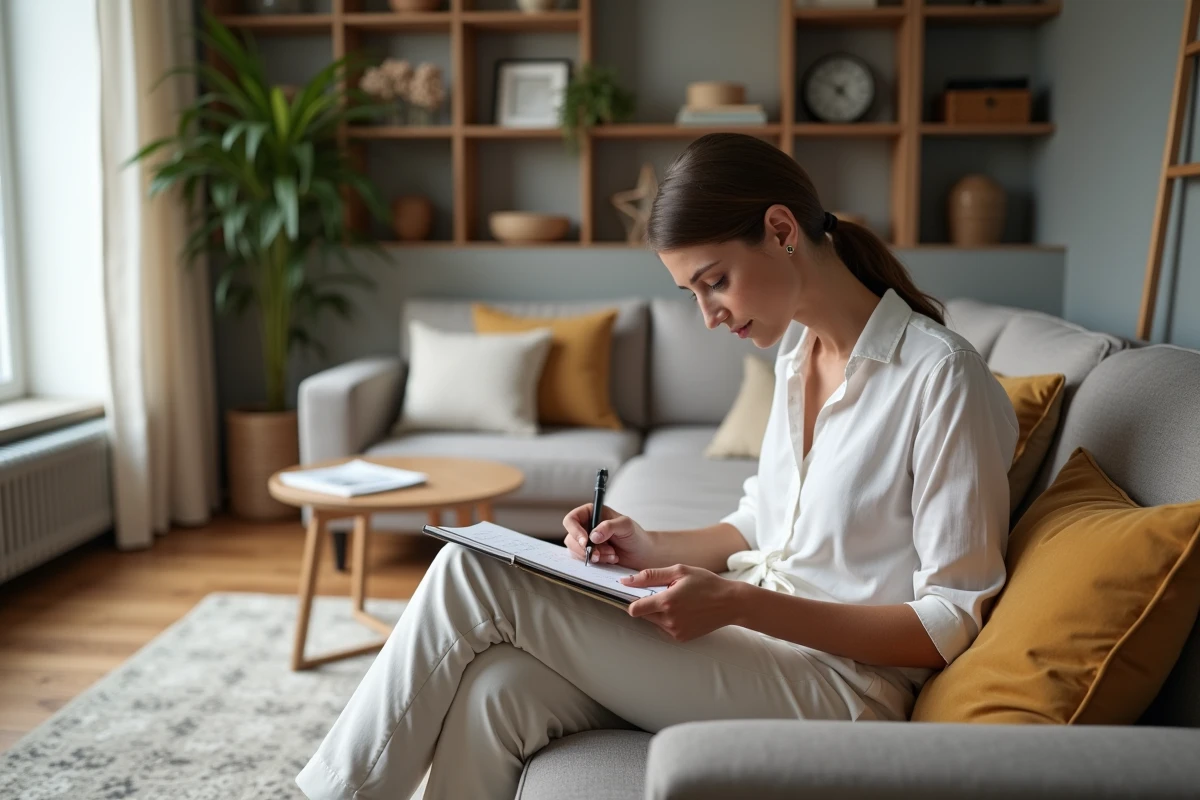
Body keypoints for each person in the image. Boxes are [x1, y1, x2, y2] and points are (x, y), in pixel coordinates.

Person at [295, 132, 1019, 800]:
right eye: (693, 293)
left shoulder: (942, 379)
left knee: (472, 569)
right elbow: (760, 525)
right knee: (498, 690)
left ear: (781, 230)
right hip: (758, 648)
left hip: (842, 693)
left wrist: (739, 604)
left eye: (715, 281)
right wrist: (646, 545)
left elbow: (948, 623)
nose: (709, 315)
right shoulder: (799, 354)